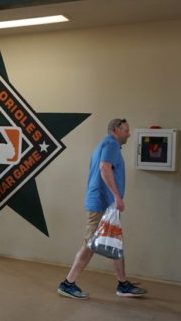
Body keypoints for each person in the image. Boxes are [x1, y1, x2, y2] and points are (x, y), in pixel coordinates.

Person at [57, 118, 147, 299]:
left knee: (114, 242)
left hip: (107, 205)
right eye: (126, 131)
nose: (129, 134)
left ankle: (122, 284)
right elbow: (104, 168)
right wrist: (117, 196)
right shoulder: (110, 145)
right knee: (90, 244)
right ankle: (68, 283)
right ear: (116, 130)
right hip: (101, 203)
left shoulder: (107, 145)